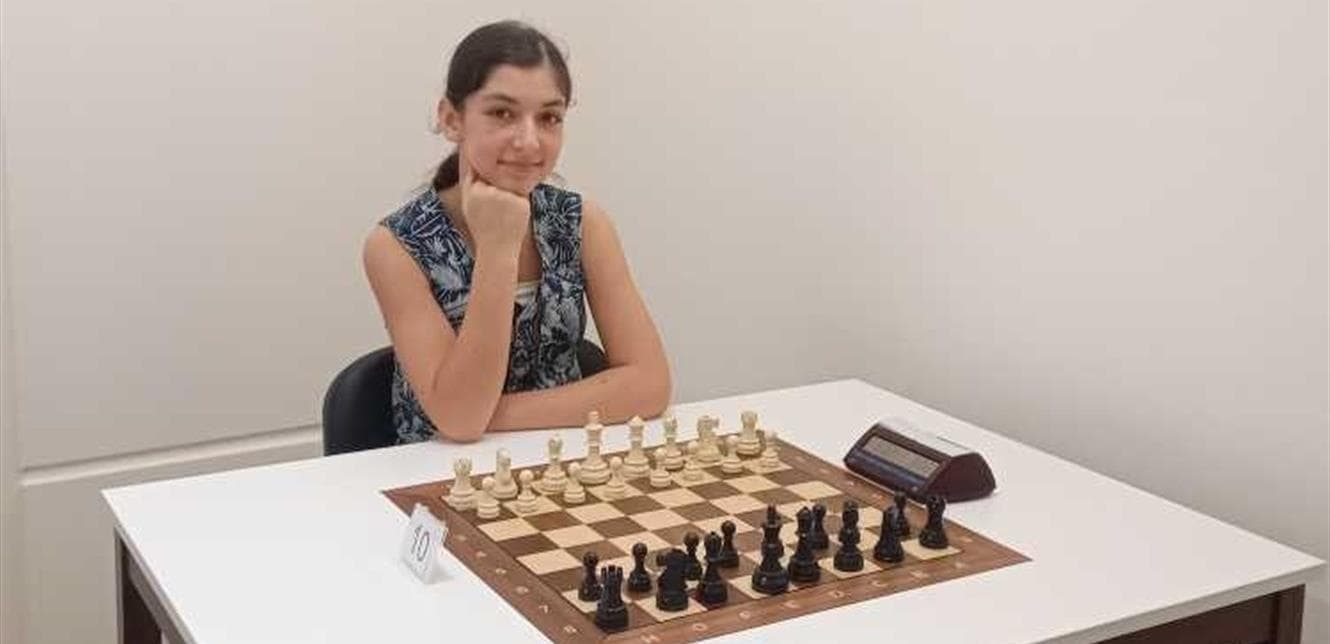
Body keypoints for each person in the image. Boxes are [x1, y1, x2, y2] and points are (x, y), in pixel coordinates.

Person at [363, 21, 671, 443]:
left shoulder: (581, 223)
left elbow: (650, 385)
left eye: (549, 118)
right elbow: (460, 425)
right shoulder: (397, 246)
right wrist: (498, 249)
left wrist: (485, 414)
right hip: (442, 468)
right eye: (502, 113)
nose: (529, 142)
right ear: (451, 119)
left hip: (562, 458)